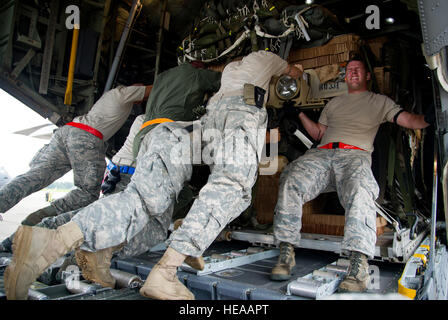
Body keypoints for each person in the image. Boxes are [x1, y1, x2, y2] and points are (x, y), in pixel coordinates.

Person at [3, 61, 222, 299]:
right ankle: (50, 240)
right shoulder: (186, 78)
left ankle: (84, 245)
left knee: (152, 223)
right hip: (158, 140)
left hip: (124, 147)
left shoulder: (154, 97)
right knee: (131, 203)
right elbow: (222, 81)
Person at [270, 56, 431, 292]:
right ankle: (286, 252)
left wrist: (428, 119)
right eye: (349, 70)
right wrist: (298, 114)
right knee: (291, 178)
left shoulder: (379, 101)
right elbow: (318, 133)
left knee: (360, 189)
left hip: (354, 156)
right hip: (323, 154)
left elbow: (408, 120)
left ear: (366, 76)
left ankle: (358, 266)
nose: (353, 72)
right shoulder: (334, 103)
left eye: (358, 69)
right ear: (345, 77)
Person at [0, 85, 151, 225]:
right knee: (88, 193)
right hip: (86, 137)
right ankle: (42, 217)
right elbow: (154, 89)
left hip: (66, 132)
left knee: (35, 177)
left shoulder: (110, 98)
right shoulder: (122, 93)